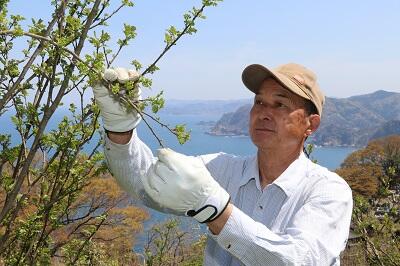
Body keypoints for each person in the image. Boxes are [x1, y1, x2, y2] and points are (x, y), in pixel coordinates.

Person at [93, 63, 353, 265]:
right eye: (259, 101)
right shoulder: (223, 169)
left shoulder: (329, 191)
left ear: (311, 124)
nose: (264, 112)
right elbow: (146, 185)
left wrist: (215, 211)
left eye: (280, 104)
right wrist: (120, 130)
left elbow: (299, 261)